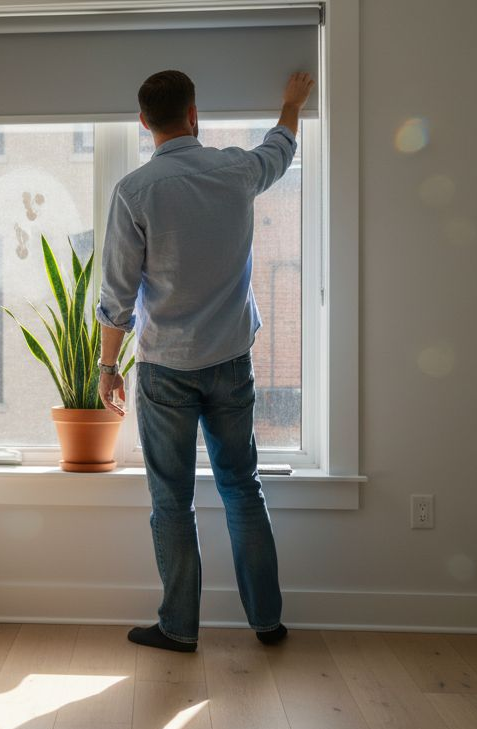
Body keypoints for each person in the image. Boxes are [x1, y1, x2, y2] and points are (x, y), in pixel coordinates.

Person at [96, 70, 315, 653]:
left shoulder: (134, 192)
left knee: (172, 501)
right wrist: (291, 103)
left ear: (144, 122)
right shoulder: (236, 170)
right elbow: (280, 150)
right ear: (194, 114)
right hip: (230, 361)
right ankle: (267, 622)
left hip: (166, 368)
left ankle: (178, 628)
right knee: (242, 488)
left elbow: (117, 296)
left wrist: (107, 368)